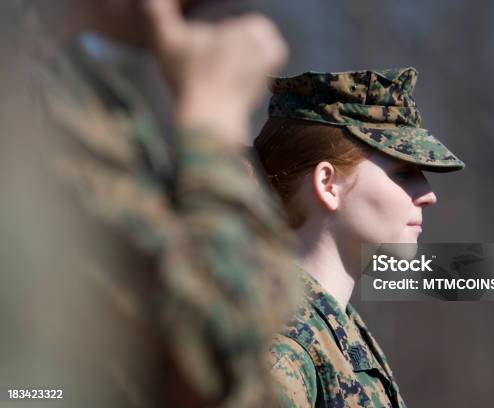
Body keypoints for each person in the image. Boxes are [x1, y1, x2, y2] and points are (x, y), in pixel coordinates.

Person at [17, 0, 298, 406]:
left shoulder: (82, 87)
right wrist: (214, 121)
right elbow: (213, 344)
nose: (426, 195)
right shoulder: (25, 92)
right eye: (402, 174)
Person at [254, 68, 465, 407]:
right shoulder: (282, 352)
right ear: (327, 184)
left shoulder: (338, 333)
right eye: (403, 172)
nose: (428, 194)